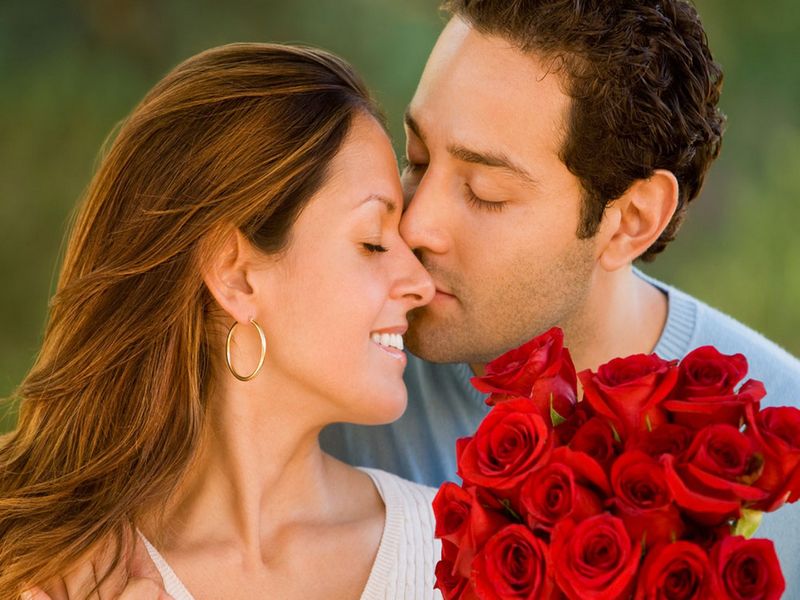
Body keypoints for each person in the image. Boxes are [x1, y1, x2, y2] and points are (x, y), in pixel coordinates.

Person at [320, 0, 800, 592]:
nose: (415, 225)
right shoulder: (329, 382)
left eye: (484, 191)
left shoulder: (778, 451)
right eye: (417, 158)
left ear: (630, 220)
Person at [0, 43, 441, 599]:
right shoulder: (37, 566)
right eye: (374, 243)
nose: (420, 284)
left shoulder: (455, 551)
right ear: (236, 276)